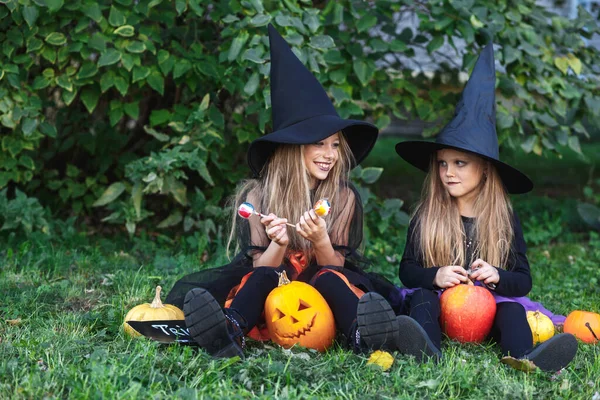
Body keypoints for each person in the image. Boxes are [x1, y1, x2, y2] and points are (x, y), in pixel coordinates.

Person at [165, 24, 399, 358]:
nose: (330, 154)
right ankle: (229, 331)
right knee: (260, 279)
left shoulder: (343, 197)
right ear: (293, 148)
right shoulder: (258, 198)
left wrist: (320, 241)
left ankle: (364, 336)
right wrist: (279, 243)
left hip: (324, 288)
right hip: (274, 289)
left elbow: (338, 265)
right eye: (318, 143)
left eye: (335, 144)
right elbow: (262, 267)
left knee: (332, 279)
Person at [393, 43, 578, 372]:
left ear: (486, 169)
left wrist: (497, 276)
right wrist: (435, 276)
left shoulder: (503, 218)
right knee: (420, 299)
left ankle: (525, 358)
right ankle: (425, 350)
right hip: (439, 308)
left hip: (486, 310)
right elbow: (407, 270)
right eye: (443, 163)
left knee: (512, 310)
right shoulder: (427, 214)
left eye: (460, 163)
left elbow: (523, 282)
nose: (448, 172)